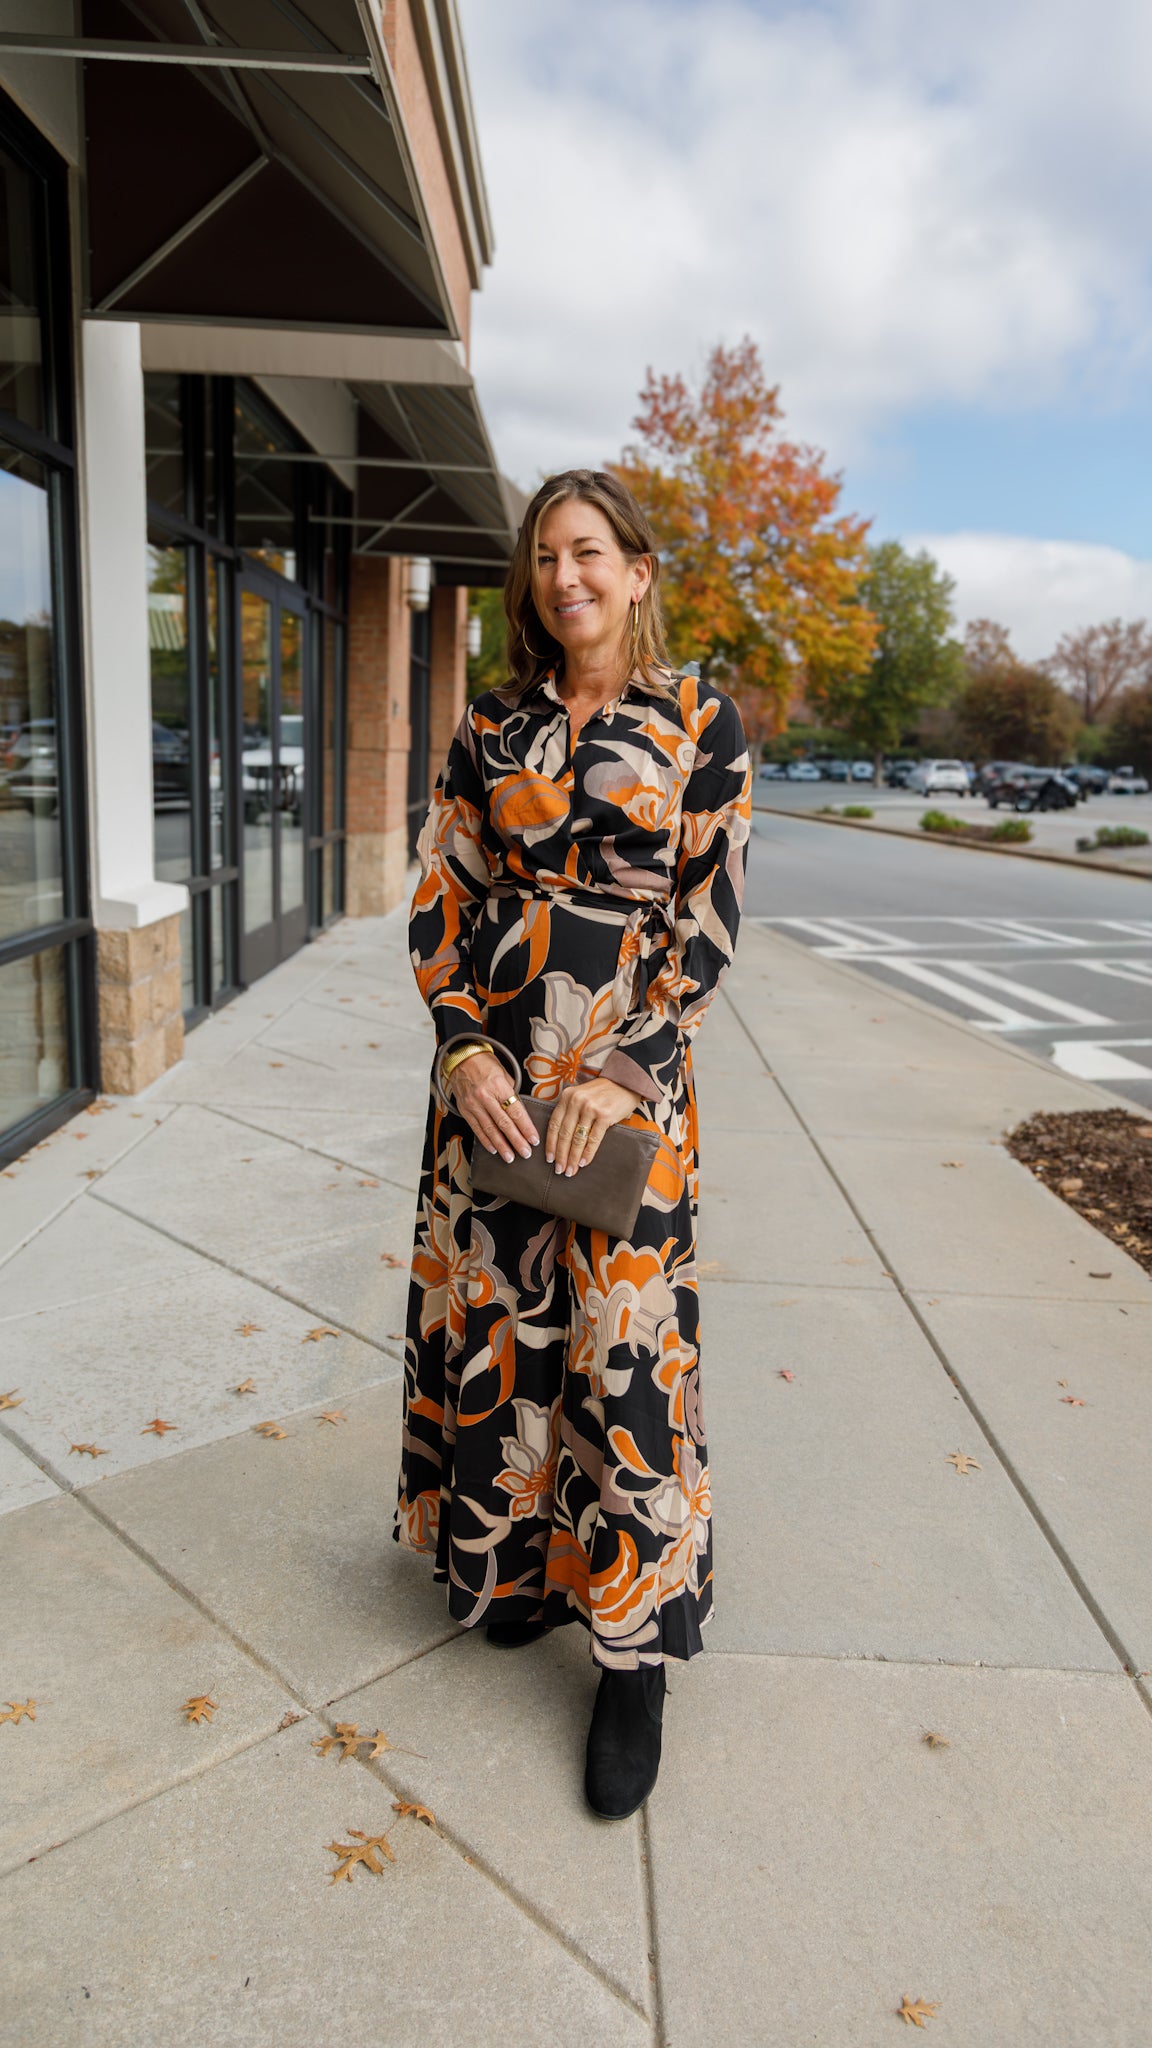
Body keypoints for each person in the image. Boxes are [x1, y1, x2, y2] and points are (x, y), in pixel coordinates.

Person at [397, 468, 752, 1818]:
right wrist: (465, 1044)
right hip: (492, 1088)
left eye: (590, 552)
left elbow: (708, 919)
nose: (567, 577)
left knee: (624, 1357)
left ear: (639, 572)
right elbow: (443, 889)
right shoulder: (492, 726)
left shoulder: (702, 723)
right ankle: (526, 1574)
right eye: (546, 556)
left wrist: (629, 1063)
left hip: (624, 1097)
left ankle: (637, 1660)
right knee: (507, 1338)